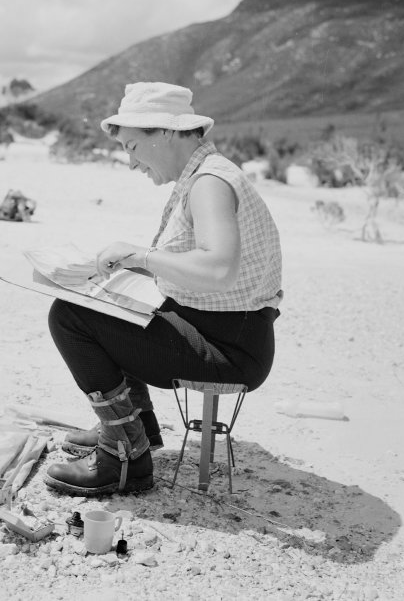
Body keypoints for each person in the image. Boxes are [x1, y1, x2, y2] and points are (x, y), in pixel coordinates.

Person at [44, 82, 282, 497]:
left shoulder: (210, 182)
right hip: (222, 330)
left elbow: (219, 268)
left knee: (69, 318)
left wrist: (140, 256)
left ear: (168, 132)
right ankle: (138, 428)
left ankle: (125, 457)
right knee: (109, 303)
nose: (131, 163)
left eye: (133, 147)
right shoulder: (204, 175)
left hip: (228, 348)